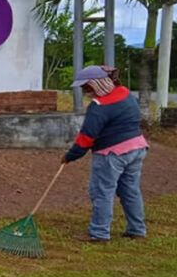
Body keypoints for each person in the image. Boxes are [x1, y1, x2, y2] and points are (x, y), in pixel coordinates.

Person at [63, 65, 149, 243]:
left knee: (102, 192)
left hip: (111, 153)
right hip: (137, 148)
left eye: (86, 86)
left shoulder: (99, 106)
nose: (84, 91)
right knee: (130, 190)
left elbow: (86, 137)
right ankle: (137, 230)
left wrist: (71, 155)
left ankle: (99, 233)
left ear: (97, 84)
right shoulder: (126, 94)